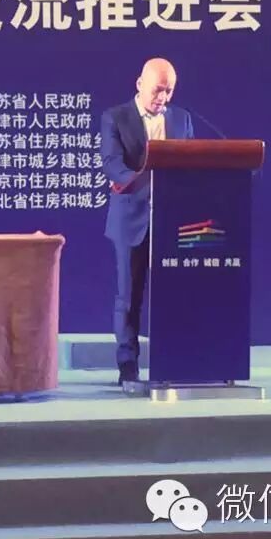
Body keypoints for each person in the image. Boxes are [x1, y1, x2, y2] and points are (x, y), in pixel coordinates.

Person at [100, 57, 194, 394]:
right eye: (158, 90)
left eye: (169, 91)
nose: (163, 98)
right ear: (140, 84)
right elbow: (112, 164)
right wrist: (144, 182)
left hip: (173, 222)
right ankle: (128, 367)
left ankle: (175, 361)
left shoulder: (182, 119)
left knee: (174, 295)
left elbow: (192, 165)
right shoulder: (115, 118)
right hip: (131, 220)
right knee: (129, 297)